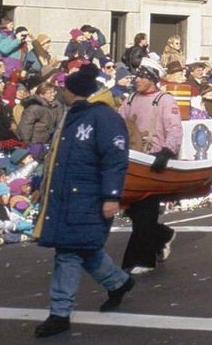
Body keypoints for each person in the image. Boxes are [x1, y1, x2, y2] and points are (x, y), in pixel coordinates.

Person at [33, 64, 135, 338]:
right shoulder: (73, 115)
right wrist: (39, 186)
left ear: (74, 92)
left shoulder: (103, 117)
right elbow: (57, 159)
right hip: (70, 196)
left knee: (68, 252)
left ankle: (59, 313)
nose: (60, 92)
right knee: (83, 248)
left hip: (88, 197)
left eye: (63, 88)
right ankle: (118, 283)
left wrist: (111, 196)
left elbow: (115, 160)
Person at [116, 56, 181, 275]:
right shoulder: (131, 99)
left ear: (152, 79)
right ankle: (163, 235)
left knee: (145, 211)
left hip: (154, 160)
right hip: (134, 158)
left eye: (142, 77)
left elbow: (174, 128)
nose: (137, 80)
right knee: (135, 212)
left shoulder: (164, 100)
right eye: (137, 76)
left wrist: (168, 151)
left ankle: (143, 260)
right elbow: (119, 122)